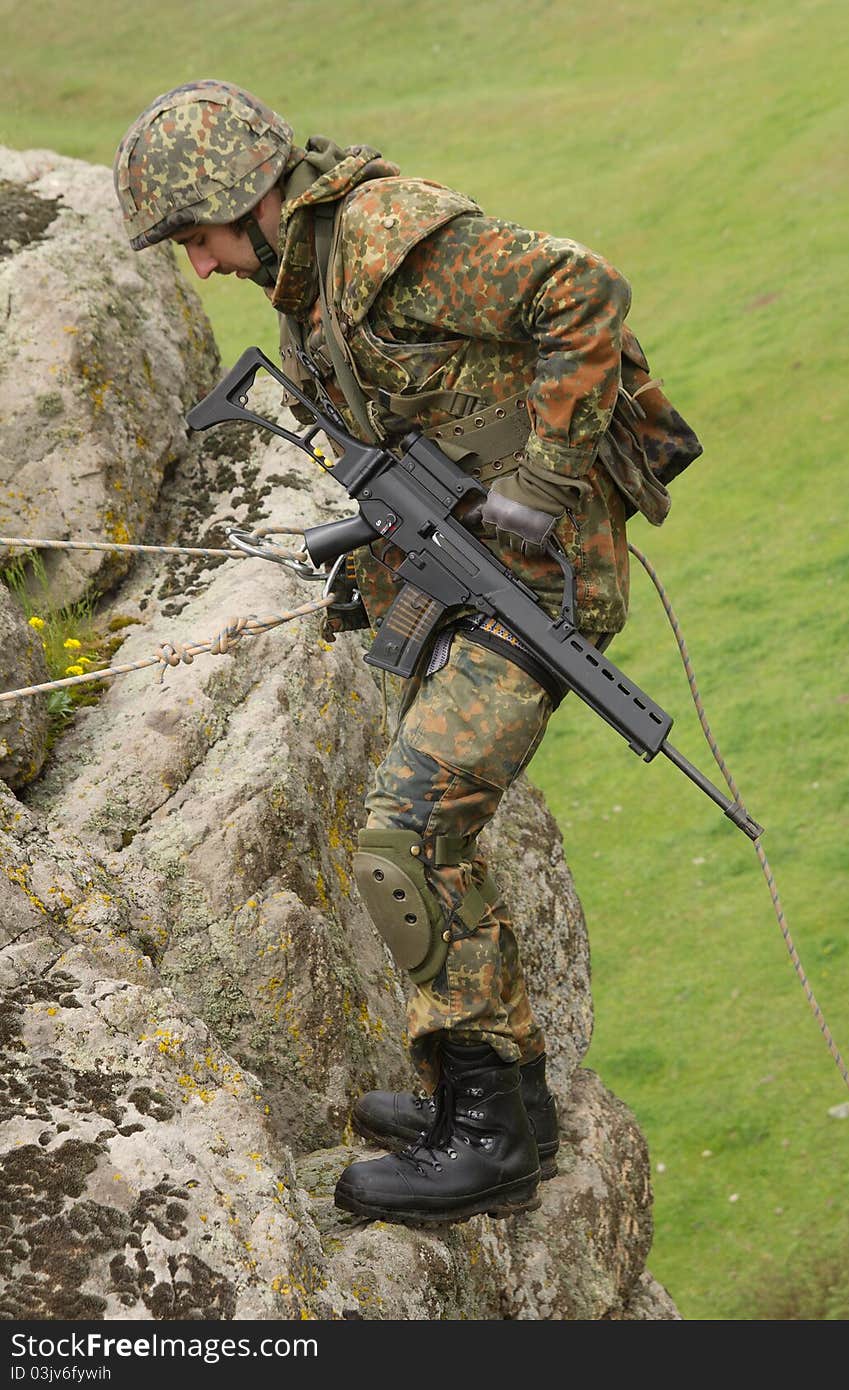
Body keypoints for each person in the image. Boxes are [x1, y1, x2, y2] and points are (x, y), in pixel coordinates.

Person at [114, 79, 700, 1226]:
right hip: (470, 570)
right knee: (419, 827)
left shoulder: (388, 243)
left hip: (542, 574)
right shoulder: (310, 279)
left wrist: (540, 479)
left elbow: (583, 291)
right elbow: (409, 446)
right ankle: (472, 1096)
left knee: (405, 829)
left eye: (195, 238)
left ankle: (496, 1136)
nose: (199, 267)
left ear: (244, 200)